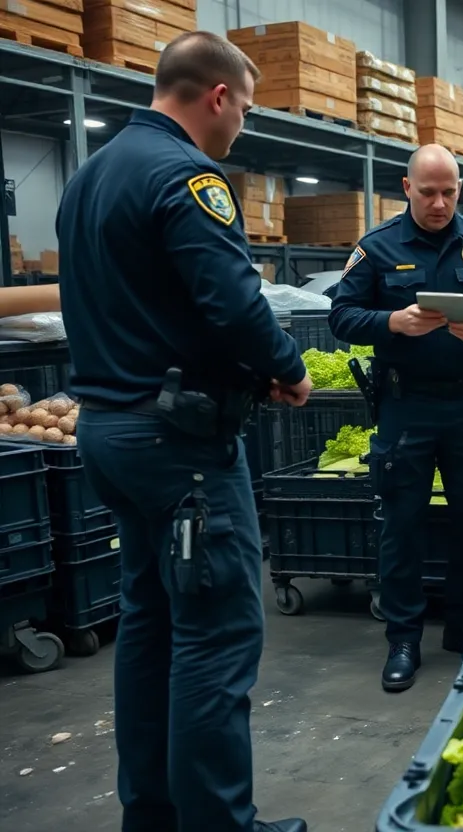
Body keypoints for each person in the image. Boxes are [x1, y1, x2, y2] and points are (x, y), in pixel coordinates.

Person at [55, 31, 310, 832]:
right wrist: (287, 367)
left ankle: (154, 814)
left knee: (152, 625)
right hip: (182, 449)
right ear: (218, 96)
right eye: (246, 109)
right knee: (218, 634)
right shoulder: (188, 175)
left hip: (109, 431)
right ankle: (219, 824)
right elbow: (232, 302)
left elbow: (149, 304)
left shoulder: (89, 177)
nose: (243, 127)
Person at [328, 144, 463, 693]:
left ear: (460, 190)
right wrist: (392, 321)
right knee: (402, 524)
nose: (439, 203)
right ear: (406, 188)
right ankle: (403, 638)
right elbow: (341, 316)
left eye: (449, 192)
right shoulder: (377, 249)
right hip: (405, 407)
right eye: (428, 192)